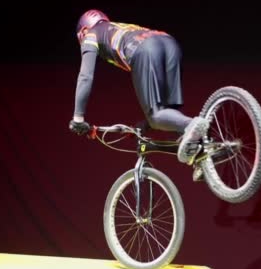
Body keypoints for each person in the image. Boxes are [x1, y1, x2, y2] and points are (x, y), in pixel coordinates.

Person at [68, 9, 209, 166]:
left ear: (84, 30)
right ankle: (206, 154)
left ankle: (192, 125)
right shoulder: (120, 27)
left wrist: (78, 118)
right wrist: (144, 124)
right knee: (170, 113)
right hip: (169, 42)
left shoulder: (91, 34)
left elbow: (86, 76)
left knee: (157, 117)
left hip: (144, 49)